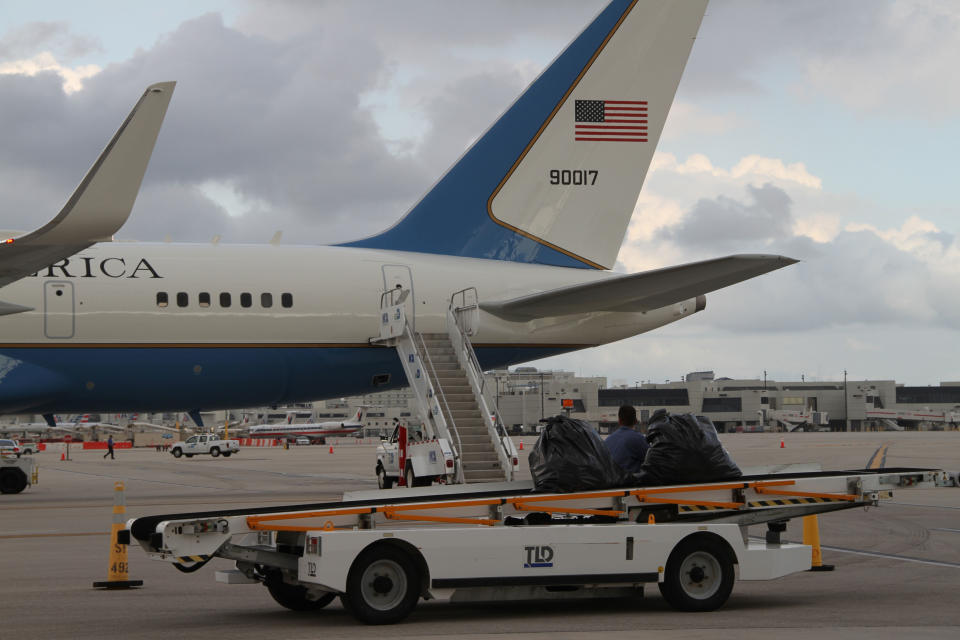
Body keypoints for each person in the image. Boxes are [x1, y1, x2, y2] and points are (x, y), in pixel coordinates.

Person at [603, 405, 649, 475]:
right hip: (628, 483)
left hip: (610, 481)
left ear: (619, 420)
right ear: (635, 421)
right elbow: (650, 460)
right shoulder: (638, 438)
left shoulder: (608, 440)